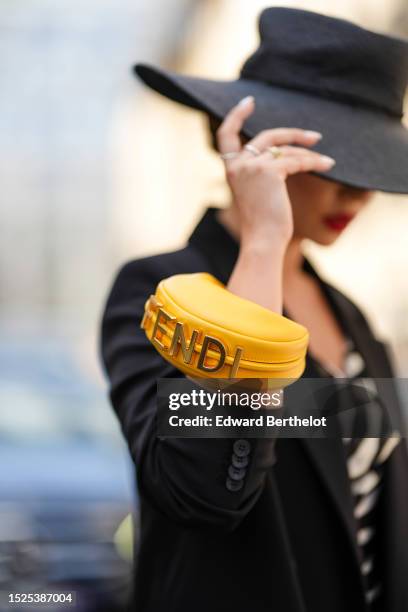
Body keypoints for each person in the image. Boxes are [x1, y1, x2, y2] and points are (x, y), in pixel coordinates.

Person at [100, 8, 408, 612]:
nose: (358, 192)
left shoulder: (350, 316)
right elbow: (203, 490)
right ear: (244, 142)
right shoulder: (155, 290)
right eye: (334, 162)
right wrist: (264, 239)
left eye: (370, 164)